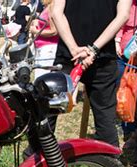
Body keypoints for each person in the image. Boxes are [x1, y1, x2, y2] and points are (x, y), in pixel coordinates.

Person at [51, 0, 131, 148]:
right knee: (105, 119)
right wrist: (92, 48)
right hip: (97, 55)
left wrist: (75, 48)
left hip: (75, 55)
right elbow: (123, 15)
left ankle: (37, 162)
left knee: (49, 112)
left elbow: (57, 12)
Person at [116, 1, 137, 142]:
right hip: (125, 52)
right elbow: (120, 20)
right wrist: (117, 41)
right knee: (125, 91)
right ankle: (127, 128)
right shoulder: (126, 3)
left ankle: (134, 131)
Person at [30, 0, 58, 79]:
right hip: (41, 47)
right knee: (38, 74)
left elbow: (54, 31)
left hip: (48, 47)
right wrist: (37, 22)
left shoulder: (52, 8)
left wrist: (36, 31)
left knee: (42, 76)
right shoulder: (46, 7)